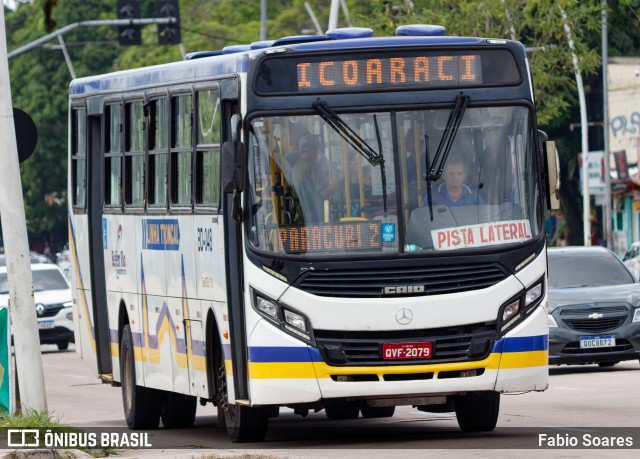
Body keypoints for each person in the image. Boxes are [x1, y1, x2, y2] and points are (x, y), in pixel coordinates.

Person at [290, 134, 343, 223]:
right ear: (312, 150)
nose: (318, 152)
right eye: (317, 150)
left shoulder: (297, 167)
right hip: (314, 215)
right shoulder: (311, 167)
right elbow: (323, 193)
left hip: (301, 214)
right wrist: (344, 179)